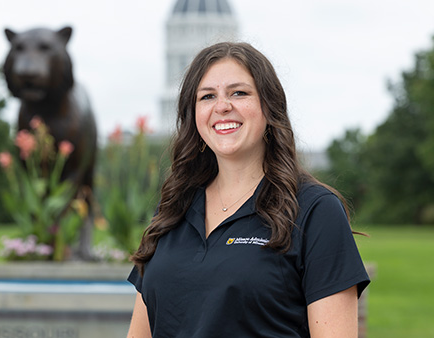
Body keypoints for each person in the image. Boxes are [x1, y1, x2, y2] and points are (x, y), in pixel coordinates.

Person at [127, 41, 370, 338]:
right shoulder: (172, 210)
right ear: (195, 117)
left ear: (269, 108)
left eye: (238, 93)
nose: (222, 106)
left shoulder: (314, 209)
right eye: (207, 96)